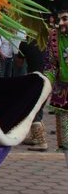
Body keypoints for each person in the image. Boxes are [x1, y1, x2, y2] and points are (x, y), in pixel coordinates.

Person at [44, 8, 67, 157]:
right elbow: (51, 65)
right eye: (58, 19)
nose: (60, 23)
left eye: (64, 18)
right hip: (63, 90)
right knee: (66, 142)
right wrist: (46, 82)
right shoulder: (54, 36)